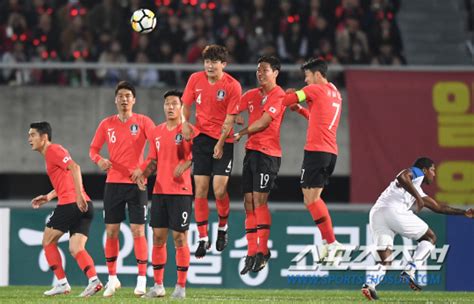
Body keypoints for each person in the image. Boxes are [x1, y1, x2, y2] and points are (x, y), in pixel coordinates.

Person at [361, 157, 474, 300]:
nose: (434, 174)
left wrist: (463, 212)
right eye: (433, 170)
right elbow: (402, 176)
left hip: (377, 213)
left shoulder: (416, 188)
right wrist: (418, 198)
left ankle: (369, 285)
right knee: (430, 237)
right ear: (425, 170)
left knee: (385, 260)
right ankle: (411, 269)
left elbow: (438, 207)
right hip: (393, 211)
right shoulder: (418, 173)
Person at [89, 81, 155, 296]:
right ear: (115, 100)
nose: (124, 99)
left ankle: (142, 279)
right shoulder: (106, 124)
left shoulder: (144, 122)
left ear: (134, 100)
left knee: (138, 231)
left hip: (137, 184)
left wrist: (143, 170)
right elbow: (93, 149)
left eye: (128, 95)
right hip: (113, 184)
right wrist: (98, 159)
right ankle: (113, 278)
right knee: (111, 231)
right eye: (121, 96)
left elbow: (156, 148)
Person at [133, 90, 196, 299]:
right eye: (167, 103)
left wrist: (185, 164)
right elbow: (152, 159)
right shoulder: (157, 132)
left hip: (181, 192)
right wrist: (143, 173)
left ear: (181, 107)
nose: (170, 107)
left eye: (174, 104)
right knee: (158, 238)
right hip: (160, 191)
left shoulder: (188, 131)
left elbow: (197, 156)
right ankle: (158, 285)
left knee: (180, 238)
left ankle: (180, 287)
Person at [28, 121, 102, 297]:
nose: (29, 139)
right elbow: (66, 179)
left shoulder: (53, 150)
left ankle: (62, 283)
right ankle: (94, 281)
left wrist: (78, 196)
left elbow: (75, 167)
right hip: (84, 205)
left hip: (71, 203)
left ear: (44, 137)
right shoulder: (52, 154)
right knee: (76, 248)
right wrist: (48, 197)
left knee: (47, 241)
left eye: (32, 135)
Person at [181, 44, 242, 258]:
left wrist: (220, 143)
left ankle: (223, 227)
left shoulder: (233, 86)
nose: (209, 65)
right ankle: (203, 238)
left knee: (218, 190)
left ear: (223, 65)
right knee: (199, 189)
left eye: (214, 62)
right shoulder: (195, 80)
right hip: (201, 138)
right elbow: (185, 105)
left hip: (224, 140)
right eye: (207, 61)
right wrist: (184, 122)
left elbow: (230, 119)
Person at [282, 58, 343, 259]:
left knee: (311, 199)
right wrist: (300, 110)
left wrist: (283, 94)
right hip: (329, 152)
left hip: (317, 152)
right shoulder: (335, 93)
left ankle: (332, 242)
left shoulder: (315, 90)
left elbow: (287, 100)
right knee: (311, 198)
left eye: (307, 76)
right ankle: (329, 242)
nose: (306, 81)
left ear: (317, 75)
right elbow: (318, 119)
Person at [233, 55, 286, 274]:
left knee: (258, 200)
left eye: (265, 70)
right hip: (251, 153)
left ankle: (262, 251)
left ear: (276, 72)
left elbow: (265, 122)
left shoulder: (279, 94)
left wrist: (241, 132)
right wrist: (235, 114)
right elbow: (233, 106)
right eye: (258, 70)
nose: (260, 74)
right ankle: (251, 251)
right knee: (248, 202)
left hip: (269, 154)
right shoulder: (252, 95)